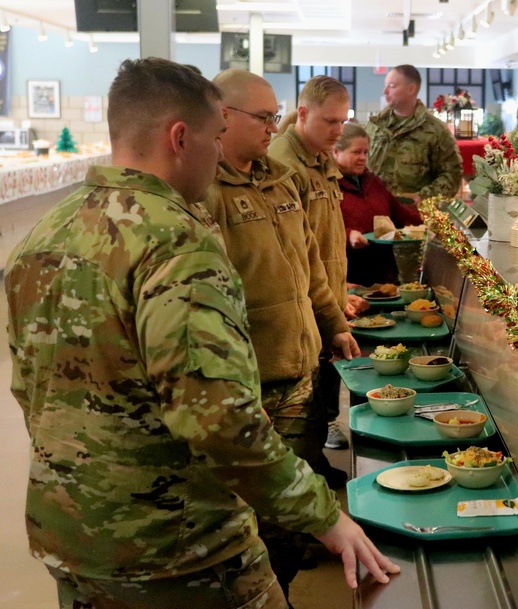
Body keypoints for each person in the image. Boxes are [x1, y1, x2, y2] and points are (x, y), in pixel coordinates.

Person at [5, 57, 398, 609]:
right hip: (180, 547)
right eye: (216, 138)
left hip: (73, 537)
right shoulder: (177, 243)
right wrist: (324, 515)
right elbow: (218, 420)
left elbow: (31, 387)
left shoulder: (46, 233)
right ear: (180, 138)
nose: (220, 154)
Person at [204, 68, 363, 602]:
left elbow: (310, 262)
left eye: (276, 116)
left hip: (298, 367)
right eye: (264, 117)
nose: (273, 126)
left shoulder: (279, 177)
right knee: (254, 514)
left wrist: (334, 324)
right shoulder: (205, 192)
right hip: (249, 382)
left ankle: (285, 588)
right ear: (222, 116)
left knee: (295, 510)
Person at [269, 75, 365, 453]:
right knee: (302, 416)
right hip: (304, 307)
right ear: (303, 113)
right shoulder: (283, 164)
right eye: (330, 122)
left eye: (343, 121)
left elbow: (323, 238)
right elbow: (296, 254)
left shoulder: (319, 157)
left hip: (325, 300)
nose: (338, 131)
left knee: (321, 401)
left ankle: (318, 459)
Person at [335, 122, 423, 286]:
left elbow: (400, 214)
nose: (363, 157)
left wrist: (430, 222)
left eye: (366, 152)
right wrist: (348, 235)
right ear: (335, 152)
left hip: (384, 274)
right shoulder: (327, 185)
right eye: (356, 152)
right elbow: (320, 229)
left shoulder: (373, 182)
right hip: (349, 276)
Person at [365, 64, 462, 201]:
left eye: (392, 86)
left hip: (414, 214)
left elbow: (452, 175)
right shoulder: (374, 125)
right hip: (374, 208)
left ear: (411, 89)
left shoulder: (435, 130)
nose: (385, 91)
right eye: (385, 85)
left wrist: (422, 198)